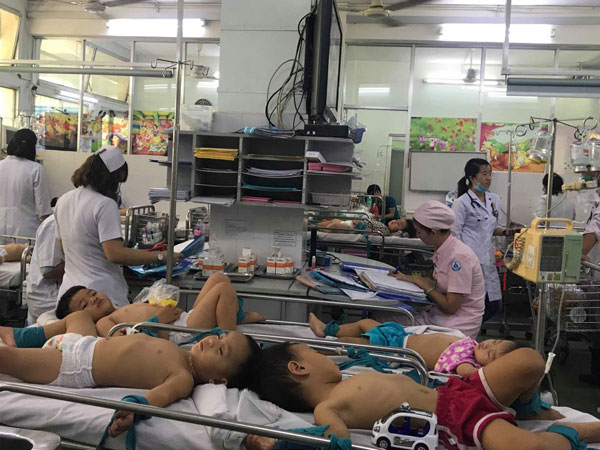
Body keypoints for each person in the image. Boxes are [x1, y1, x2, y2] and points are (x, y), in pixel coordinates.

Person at [246, 343, 599, 450]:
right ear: (299, 368)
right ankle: (575, 433)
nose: (325, 355)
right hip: (456, 420)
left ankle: (527, 408)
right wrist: (278, 443)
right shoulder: (327, 407)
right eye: (314, 352)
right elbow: (333, 441)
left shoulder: (350, 377)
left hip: (456, 390)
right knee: (526, 448)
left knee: (529, 361)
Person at [0, 310, 260, 439]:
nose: (212, 341)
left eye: (221, 350)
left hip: (75, 364)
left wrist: (134, 409)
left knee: (8, 359)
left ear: (218, 381)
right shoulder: (182, 351)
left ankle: (14, 344)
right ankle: (15, 335)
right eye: (219, 336)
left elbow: (158, 397)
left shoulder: (183, 377)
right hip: (85, 342)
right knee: (80, 315)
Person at [54, 146, 183, 307]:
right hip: (99, 296)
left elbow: (63, 248)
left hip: (72, 298)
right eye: (118, 182)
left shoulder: (63, 200)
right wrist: (161, 257)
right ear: (110, 178)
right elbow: (115, 254)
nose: (117, 188)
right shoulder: (104, 204)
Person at [0, 274, 267, 346]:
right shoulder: (104, 323)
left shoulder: (123, 306)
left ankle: (234, 317)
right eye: (85, 304)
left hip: (182, 319)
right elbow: (128, 341)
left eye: (92, 294)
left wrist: (156, 305)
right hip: (180, 332)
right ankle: (230, 338)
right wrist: (158, 317)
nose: (94, 300)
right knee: (223, 289)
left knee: (217, 279)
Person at [386, 200, 486, 338]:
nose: (418, 235)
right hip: (439, 316)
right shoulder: (443, 249)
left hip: (455, 326)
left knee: (384, 323)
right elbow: (442, 285)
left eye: (419, 232)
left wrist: (423, 283)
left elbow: (451, 307)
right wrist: (409, 278)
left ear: (433, 232)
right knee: (385, 316)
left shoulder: (458, 257)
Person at [308, 314, 517, 376]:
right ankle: (327, 330)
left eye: (491, 354)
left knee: (354, 343)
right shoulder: (471, 343)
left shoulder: (466, 363)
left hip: (396, 351)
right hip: (400, 336)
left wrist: (492, 374)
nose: (488, 346)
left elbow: (473, 376)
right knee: (365, 323)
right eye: (494, 342)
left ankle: (315, 350)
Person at [453, 158, 514, 322]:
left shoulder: (494, 200)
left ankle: (468, 331)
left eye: (490, 174)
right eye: (484, 174)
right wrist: (461, 261)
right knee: (474, 306)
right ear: (472, 178)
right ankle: (466, 332)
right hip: (470, 261)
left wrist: (507, 231)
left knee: (494, 305)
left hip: (488, 259)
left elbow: (492, 227)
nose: (488, 178)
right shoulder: (461, 203)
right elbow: (455, 235)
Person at [0, 128, 51, 244]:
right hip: (26, 233)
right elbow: (43, 210)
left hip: (1, 230)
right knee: (24, 256)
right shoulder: (36, 169)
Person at [25, 202, 65, 324]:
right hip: (48, 299)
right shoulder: (53, 224)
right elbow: (48, 271)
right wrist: (83, 264)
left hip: (58, 294)